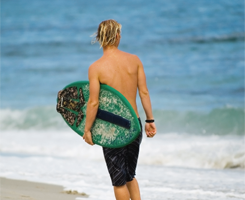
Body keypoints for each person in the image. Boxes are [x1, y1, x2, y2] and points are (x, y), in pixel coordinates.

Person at [83, 19, 157, 200]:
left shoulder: (96, 68)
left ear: (100, 38)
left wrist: (87, 129)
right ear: (117, 36)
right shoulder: (135, 60)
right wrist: (150, 120)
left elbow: (93, 103)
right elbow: (144, 92)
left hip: (112, 129)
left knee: (119, 181)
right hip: (134, 125)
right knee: (130, 175)